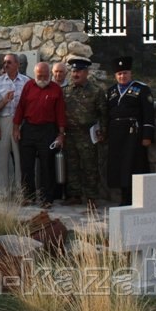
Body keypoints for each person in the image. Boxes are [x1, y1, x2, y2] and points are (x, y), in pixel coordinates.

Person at [13, 62, 66, 207]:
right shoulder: (28, 86)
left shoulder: (56, 89)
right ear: (35, 74)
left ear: (50, 74)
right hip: (29, 129)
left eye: (45, 75)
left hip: (48, 130)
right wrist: (16, 128)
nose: (42, 78)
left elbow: (60, 112)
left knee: (46, 166)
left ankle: (46, 198)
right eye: (39, 75)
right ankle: (28, 196)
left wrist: (61, 134)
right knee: (26, 165)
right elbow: (20, 108)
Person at [106, 56, 155, 206]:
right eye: (119, 74)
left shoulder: (141, 89)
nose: (122, 76)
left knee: (134, 165)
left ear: (130, 73)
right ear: (115, 75)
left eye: (125, 73)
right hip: (116, 135)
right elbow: (107, 113)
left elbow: (148, 113)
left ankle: (136, 198)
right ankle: (124, 198)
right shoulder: (111, 91)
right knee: (119, 166)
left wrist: (147, 135)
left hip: (133, 135)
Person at [62, 57, 107, 208]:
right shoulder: (66, 90)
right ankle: (75, 195)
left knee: (90, 166)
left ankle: (91, 197)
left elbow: (104, 113)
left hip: (88, 135)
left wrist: (103, 131)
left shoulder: (96, 91)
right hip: (70, 134)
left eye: (79, 71)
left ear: (86, 73)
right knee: (72, 165)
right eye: (74, 71)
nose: (75, 74)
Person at [0, 53, 30, 195]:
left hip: (20, 122)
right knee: (2, 157)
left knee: (20, 157)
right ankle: (3, 191)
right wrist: (3, 102)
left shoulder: (27, 82)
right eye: (4, 62)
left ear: (17, 64)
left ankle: (20, 191)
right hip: (4, 120)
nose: (5, 65)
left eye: (9, 62)